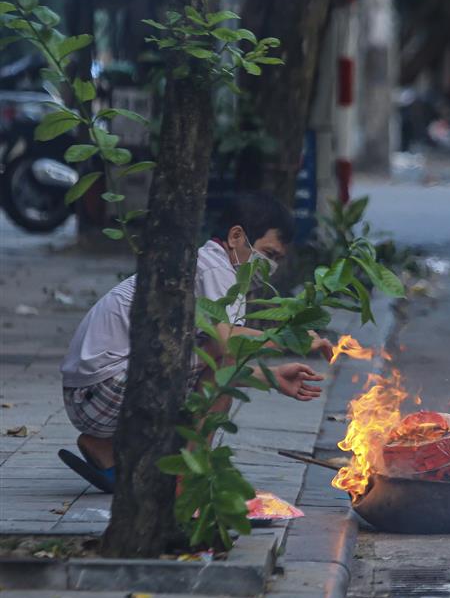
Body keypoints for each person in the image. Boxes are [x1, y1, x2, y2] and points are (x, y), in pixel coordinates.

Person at [59, 193, 336, 492]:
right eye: (269, 253)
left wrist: (273, 378)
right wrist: (289, 339)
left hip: (88, 396)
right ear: (236, 236)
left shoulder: (201, 263)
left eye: (278, 259)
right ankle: (191, 476)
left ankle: (104, 446)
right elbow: (226, 348)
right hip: (105, 390)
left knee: (217, 355)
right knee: (223, 355)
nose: (271, 266)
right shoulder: (216, 268)